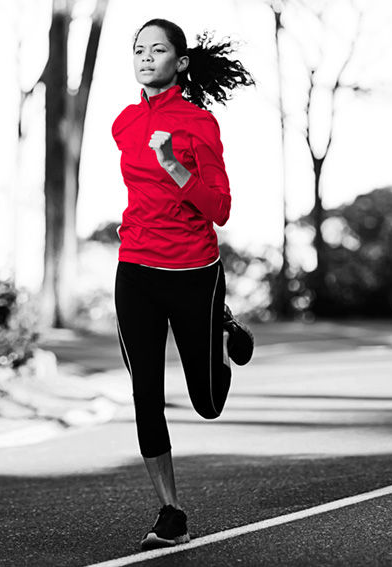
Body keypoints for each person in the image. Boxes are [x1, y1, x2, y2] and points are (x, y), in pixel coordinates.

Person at [112, 18, 255, 550]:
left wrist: (173, 165)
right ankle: (171, 512)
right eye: (138, 50)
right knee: (145, 393)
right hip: (137, 269)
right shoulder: (124, 123)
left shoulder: (199, 124)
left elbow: (219, 208)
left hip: (195, 272)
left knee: (208, 402)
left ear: (181, 62)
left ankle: (222, 325)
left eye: (157, 50)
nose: (145, 58)